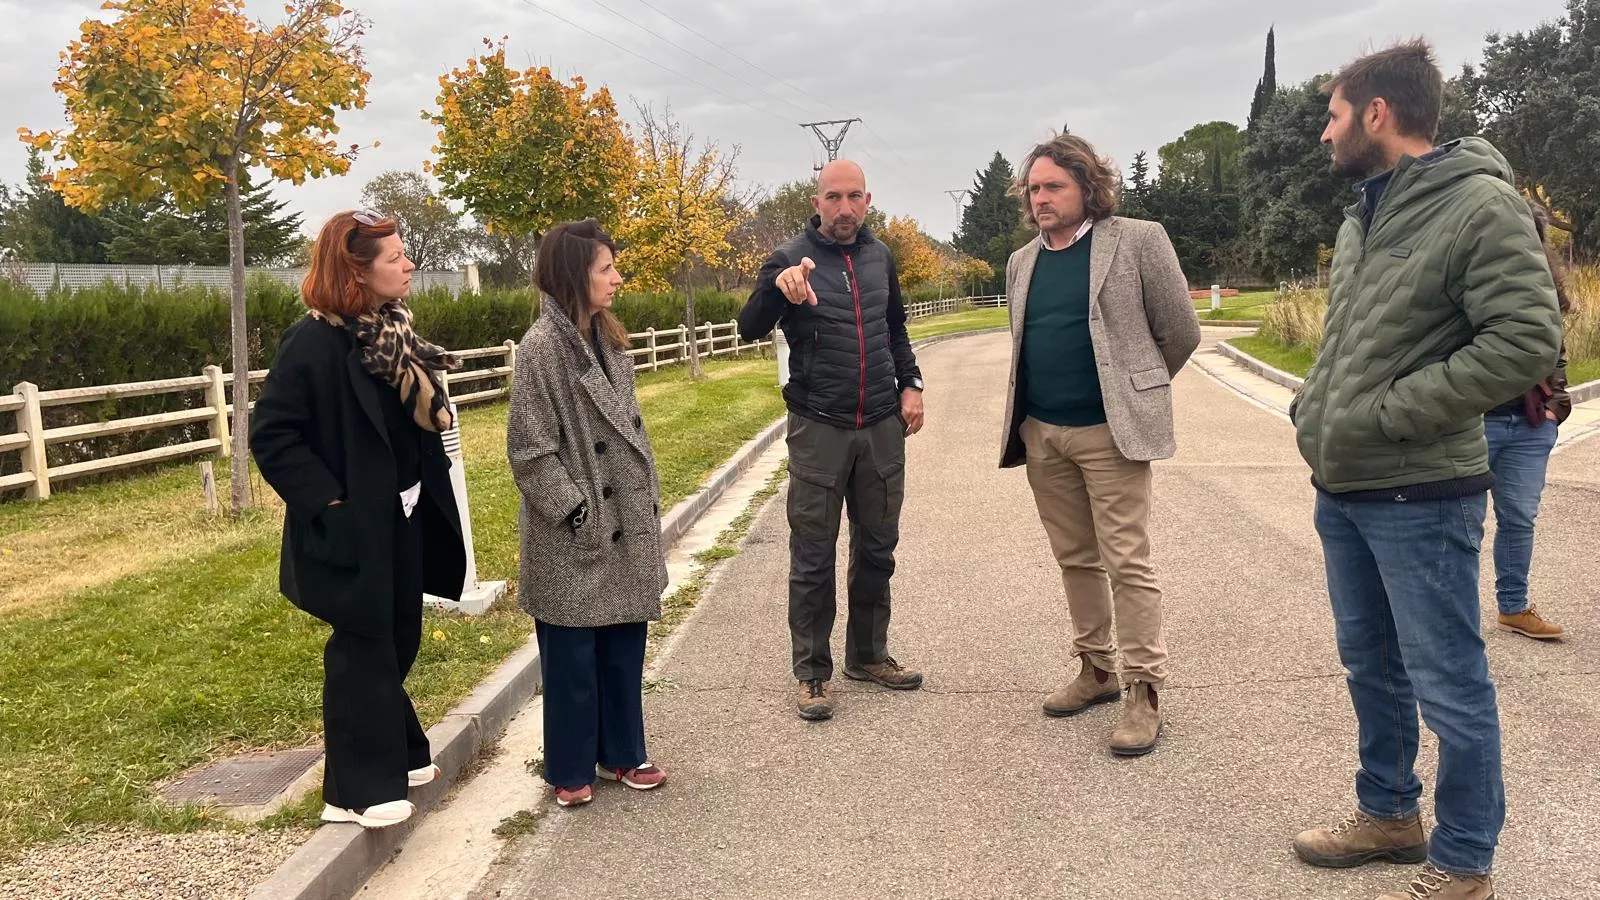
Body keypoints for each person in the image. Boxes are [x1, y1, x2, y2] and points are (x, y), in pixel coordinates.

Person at [1289, 41, 1562, 900]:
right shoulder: (1365, 211)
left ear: (1376, 113)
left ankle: (1467, 859)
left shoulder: (1479, 205)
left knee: (1448, 680)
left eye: (1332, 116)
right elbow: (1355, 342)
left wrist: (1384, 413)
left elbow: (1526, 341)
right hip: (1347, 485)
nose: (1324, 136)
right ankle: (1389, 814)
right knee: (1370, 663)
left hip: (1419, 489)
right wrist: (1316, 410)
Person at [251, 209, 467, 829]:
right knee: (362, 647)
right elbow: (273, 436)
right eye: (395, 257)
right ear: (356, 270)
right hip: (351, 523)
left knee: (398, 634)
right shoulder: (314, 342)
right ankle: (353, 793)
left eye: (405, 254)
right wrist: (331, 502)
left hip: (401, 512)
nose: (408, 265)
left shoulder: (392, 331)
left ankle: (401, 751)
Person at [996, 133, 1200, 757]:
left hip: (1111, 434)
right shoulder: (1021, 261)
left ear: (1089, 186)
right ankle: (1097, 668)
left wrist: (1135, 393)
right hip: (1042, 433)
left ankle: (1144, 689)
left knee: (1127, 562)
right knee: (1075, 559)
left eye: (1054, 185)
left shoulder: (1139, 241)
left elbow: (1181, 332)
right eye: (1033, 188)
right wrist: (1034, 424)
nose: (1041, 198)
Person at [736, 159, 925, 722]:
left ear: (868, 201)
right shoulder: (790, 259)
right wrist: (778, 290)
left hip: (882, 426)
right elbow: (749, 326)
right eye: (832, 197)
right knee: (813, 555)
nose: (844, 208)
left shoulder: (880, 256)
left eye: (854, 197)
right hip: (819, 426)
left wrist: (911, 384)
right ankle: (812, 673)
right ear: (816, 201)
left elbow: (895, 328)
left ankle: (867, 656)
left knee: (877, 549)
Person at [507, 219, 668, 809]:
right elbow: (529, 449)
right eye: (607, 269)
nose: (618, 278)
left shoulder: (611, 342)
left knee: (624, 645)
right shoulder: (540, 350)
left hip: (624, 517)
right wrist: (575, 512)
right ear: (577, 275)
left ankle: (624, 752)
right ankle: (570, 765)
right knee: (572, 655)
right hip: (574, 530)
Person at [1483, 201, 1572, 641]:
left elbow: (1556, 353)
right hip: (1472, 422)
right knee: (1456, 523)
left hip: (1531, 424)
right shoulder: (1473, 274)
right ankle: (1451, 616)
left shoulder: (1546, 288)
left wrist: (1557, 406)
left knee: (1518, 519)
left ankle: (1513, 607)